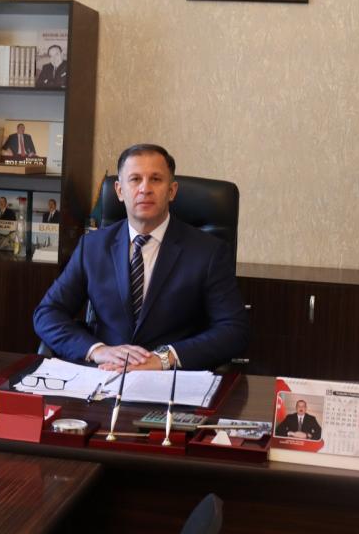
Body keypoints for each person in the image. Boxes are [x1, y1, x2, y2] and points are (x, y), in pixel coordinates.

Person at [33, 143, 248, 371]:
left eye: (156, 179)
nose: (145, 188)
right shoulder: (92, 247)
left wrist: (164, 358)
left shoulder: (208, 251)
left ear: (172, 190)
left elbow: (234, 329)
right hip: (106, 375)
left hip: (171, 378)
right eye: (135, 179)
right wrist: (97, 350)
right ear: (119, 190)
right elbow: (47, 313)